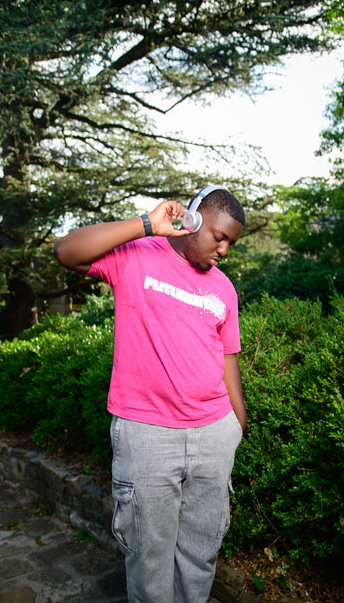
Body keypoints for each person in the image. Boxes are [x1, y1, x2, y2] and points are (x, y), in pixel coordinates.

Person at [54, 187, 247, 603]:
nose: (225, 250)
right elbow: (67, 251)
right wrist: (146, 224)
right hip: (147, 436)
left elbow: (229, 361)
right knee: (149, 556)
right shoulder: (138, 254)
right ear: (193, 221)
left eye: (231, 242)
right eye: (218, 236)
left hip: (214, 433)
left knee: (201, 552)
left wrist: (236, 426)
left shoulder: (224, 289)